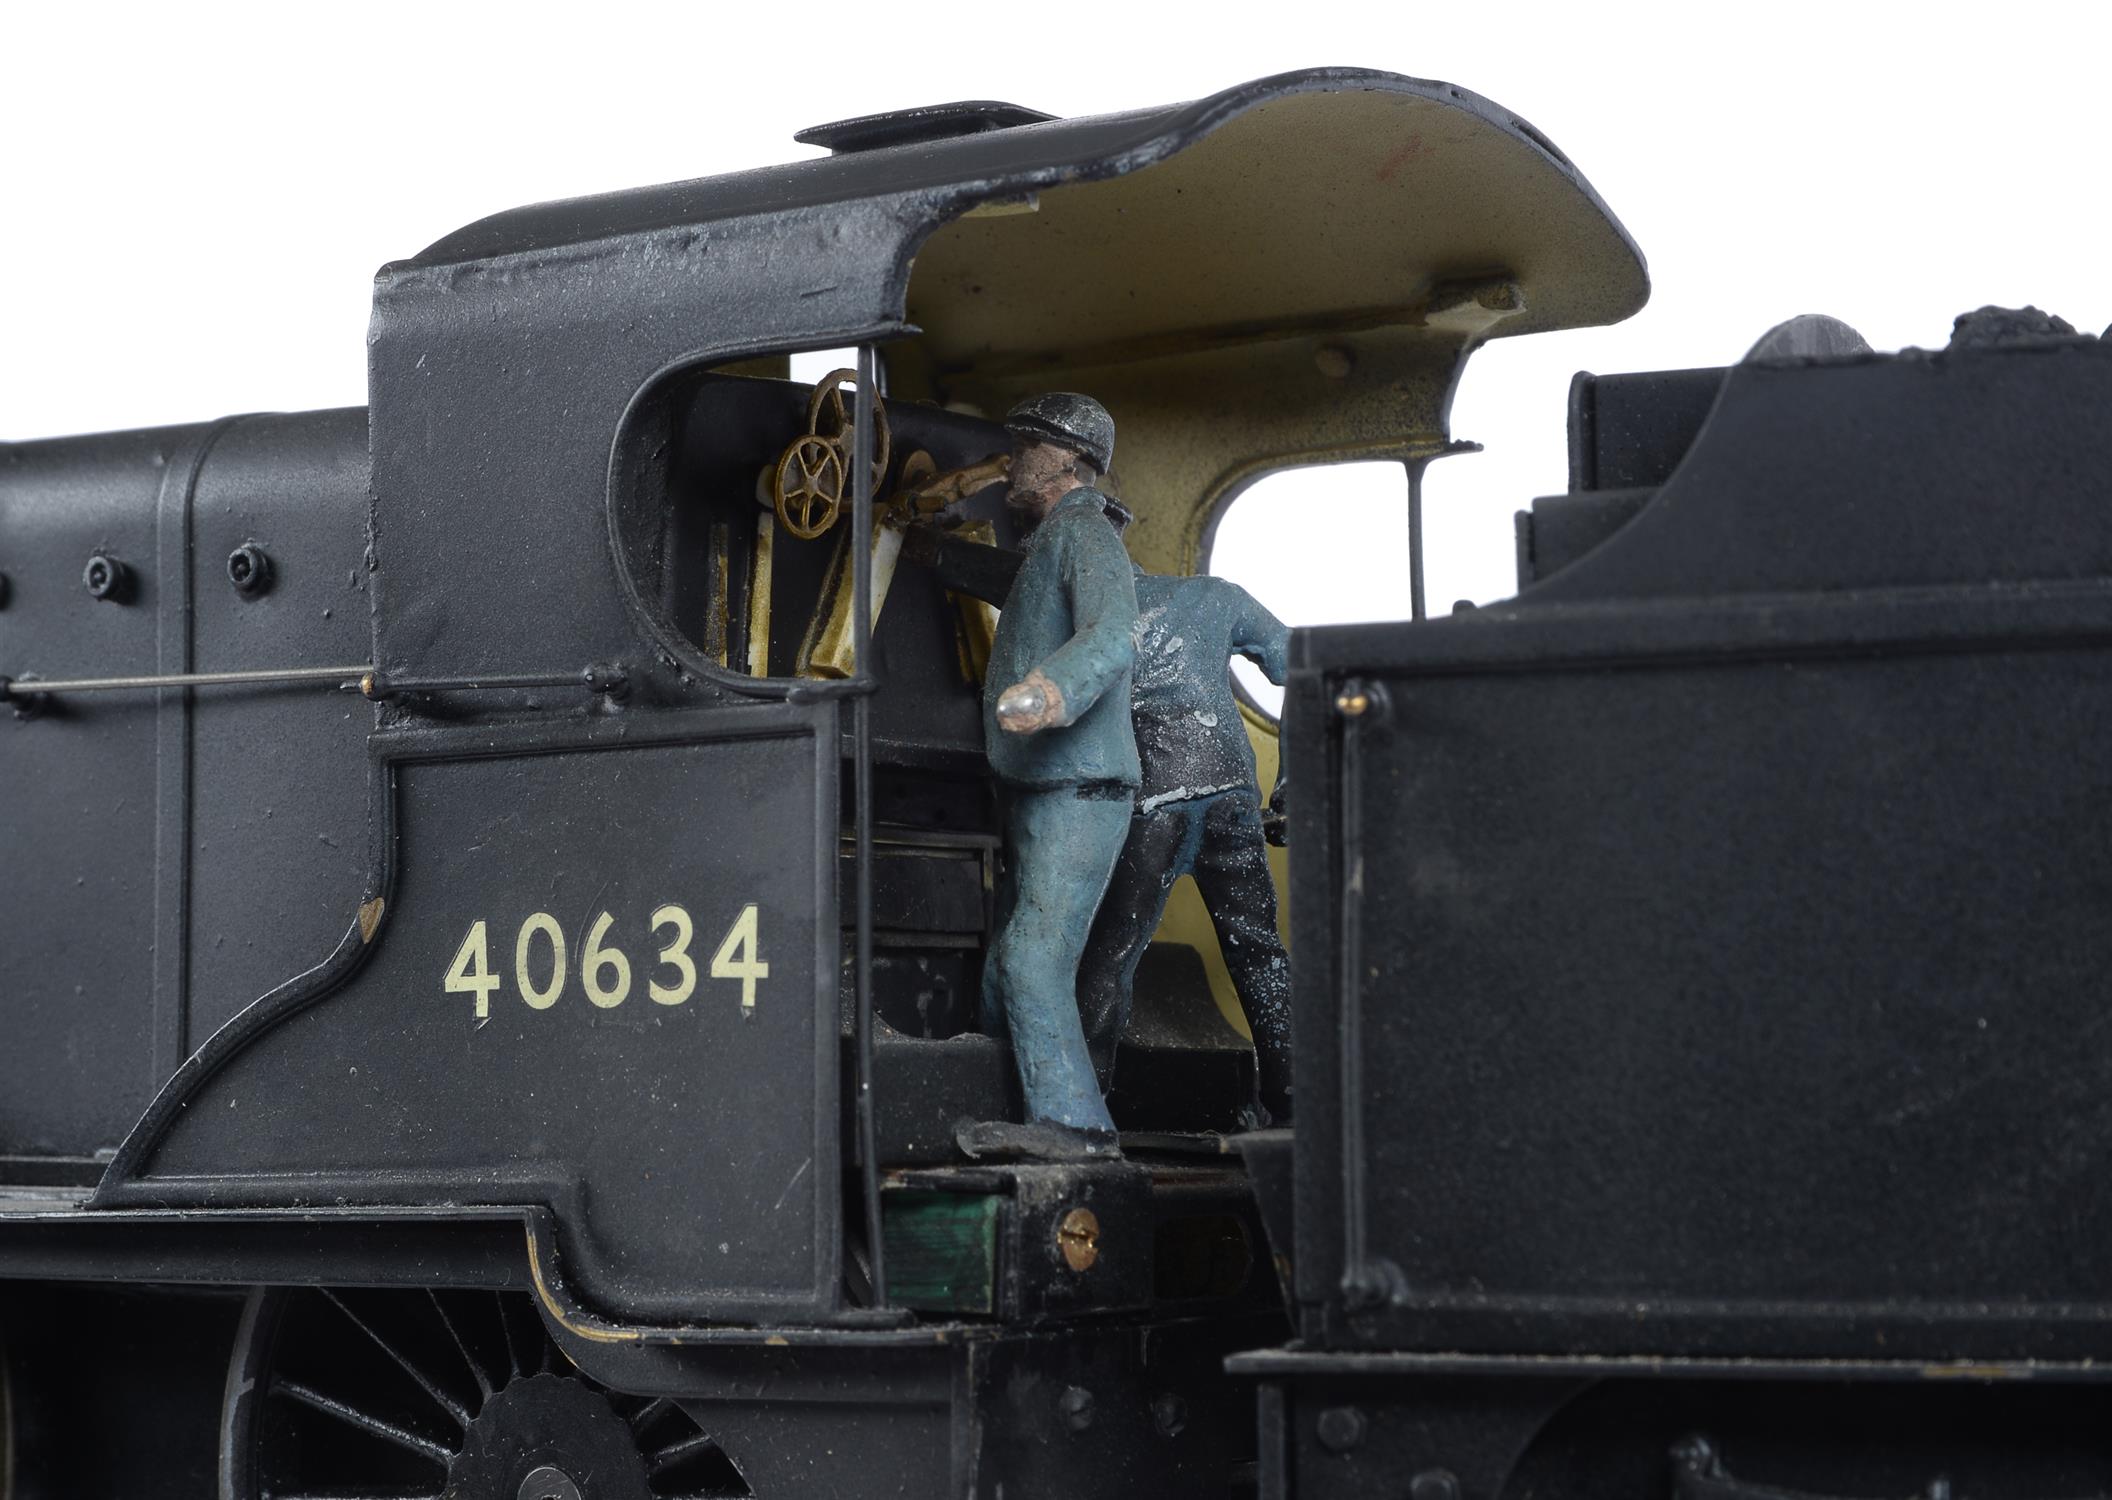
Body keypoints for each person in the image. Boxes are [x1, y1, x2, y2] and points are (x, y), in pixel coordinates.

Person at [967, 392, 1138, 1162]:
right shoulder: (1049, 542)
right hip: (1043, 786)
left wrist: (1048, 693)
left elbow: (1110, 633)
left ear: (1068, 461)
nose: (1013, 460)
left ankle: (1076, 1134)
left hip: (1079, 785)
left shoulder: (1086, 534)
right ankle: (995, 1109)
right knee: (1006, 967)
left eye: (1026, 447)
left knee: (1035, 960)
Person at [1077, 555, 1295, 1123]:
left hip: (1153, 803)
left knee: (1110, 954)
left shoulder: (1097, 608)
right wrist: (1290, 781)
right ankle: (1295, 1103)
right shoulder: (1217, 596)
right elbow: (1308, 662)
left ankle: (1084, 1107)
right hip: (1233, 794)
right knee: (1260, 954)